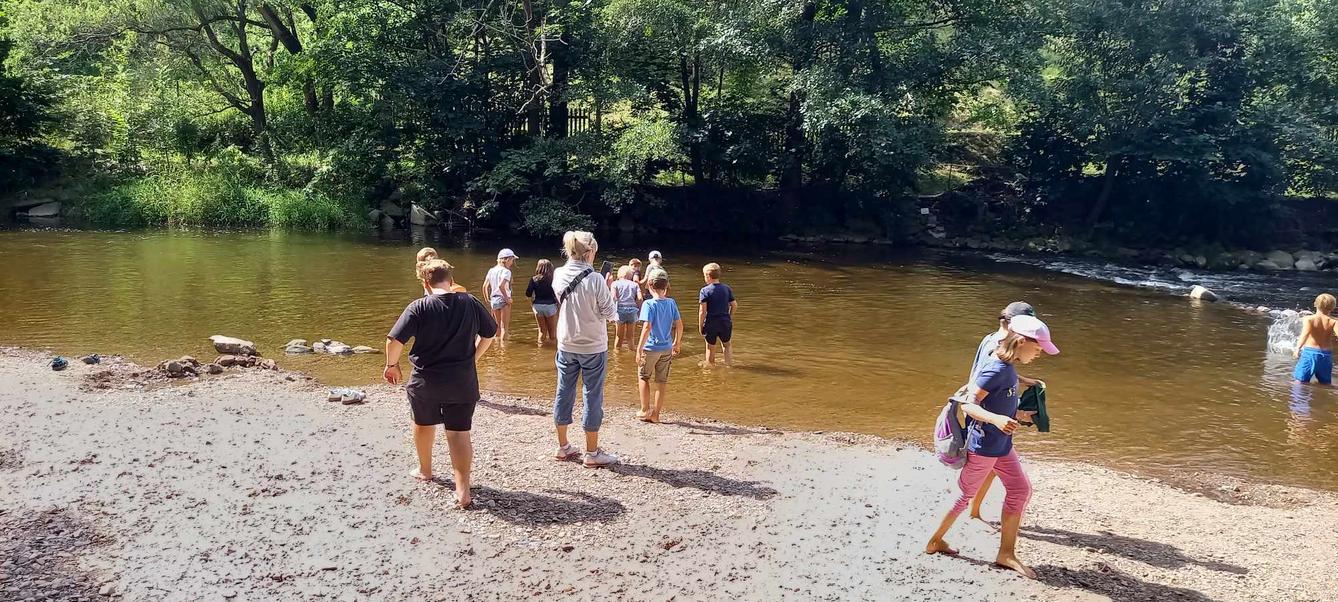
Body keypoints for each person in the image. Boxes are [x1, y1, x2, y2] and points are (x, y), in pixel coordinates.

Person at [926, 314, 1060, 579]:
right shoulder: (996, 369)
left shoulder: (1009, 369)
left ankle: (1006, 554)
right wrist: (996, 419)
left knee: (1020, 490)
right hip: (984, 447)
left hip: (1002, 445)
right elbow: (969, 405)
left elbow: (999, 403)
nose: (1040, 353)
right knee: (964, 495)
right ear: (1021, 342)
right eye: (1038, 348)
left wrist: (1019, 415)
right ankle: (934, 540)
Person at [384, 259, 497, 509]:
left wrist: (392, 365)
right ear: (451, 281)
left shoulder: (419, 307)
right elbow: (490, 333)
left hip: (426, 381)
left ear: (425, 283)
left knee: (423, 424)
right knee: (459, 433)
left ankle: (425, 470)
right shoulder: (469, 302)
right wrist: (473, 358)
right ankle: (463, 491)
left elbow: (394, 341)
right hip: (462, 381)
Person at [966, 301, 1042, 522]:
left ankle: (974, 509)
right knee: (991, 464)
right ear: (1013, 324)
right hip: (986, 410)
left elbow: (999, 372)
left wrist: (1023, 380)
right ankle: (971, 508)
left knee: (992, 465)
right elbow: (991, 375)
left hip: (987, 405)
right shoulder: (997, 343)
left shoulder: (993, 338)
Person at [551, 231, 620, 467]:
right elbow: (610, 313)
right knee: (592, 395)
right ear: (590, 253)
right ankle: (592, 452)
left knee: (563, 391)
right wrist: (607, 289)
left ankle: (563, 447)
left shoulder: (558, 273)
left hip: (566, 341)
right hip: (593, 345)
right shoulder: (596, 279)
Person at [636, 277, 683, 422]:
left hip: (650, 348)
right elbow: (679, 325)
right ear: (666, 287)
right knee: (661, 381)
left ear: (650, 287)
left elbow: (647, 327)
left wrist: (639, 348)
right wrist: (677, 343)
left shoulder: (648, 304)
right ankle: (656, 415)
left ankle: (645, 410)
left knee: (643, 377)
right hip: (666, 348)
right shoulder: (671, 302)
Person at [698, 262, 737, 367]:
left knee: (710, 347)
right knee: (727, 345)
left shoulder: (704, 291)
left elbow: (702, 311)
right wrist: (729, 317)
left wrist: (700, 326)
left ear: (708, 276)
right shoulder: (726, 288)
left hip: (711, 323)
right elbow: (734, 305)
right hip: (725, 322)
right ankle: (729, 366)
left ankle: (710, 369)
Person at [1294, 293, 1338, 384]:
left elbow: (1304, 335)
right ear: (1333, 307)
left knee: (1300, 381)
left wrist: (1297, 348)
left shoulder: (1309, 319)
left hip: (1310, 354)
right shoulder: (1334, 321)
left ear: (1315, 304)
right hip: (1326, 355)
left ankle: (1298, 394)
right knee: (1325, 383)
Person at [481, 249, 517, 342]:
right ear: (507, 259)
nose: (512, 263)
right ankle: (503, 349)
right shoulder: (506, 271)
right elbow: (501, 286)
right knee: (504, 328)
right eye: (512, 260)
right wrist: (507, 299)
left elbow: (484, 286)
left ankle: (497, 347)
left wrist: (487, 300)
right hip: (503, 300)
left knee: (497, 328)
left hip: (494, 300)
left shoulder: (491, 270)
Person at [526, 259, 559, 345]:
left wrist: (532, 304)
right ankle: (552, 351)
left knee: (541, 331)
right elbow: (557, 294)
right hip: (550, 306)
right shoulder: (553, 279)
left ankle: (540, 349)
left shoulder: (533, 279)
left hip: (537, 306)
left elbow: (528, 294)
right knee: (552, 334)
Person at [611, 265, 642, 351]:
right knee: (630, 337)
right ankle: (632, 353)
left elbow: (613, 298)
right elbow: (640, 298)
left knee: (619, 336)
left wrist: (612, 313)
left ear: (619, 275)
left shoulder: (615, 284)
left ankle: (617, 355)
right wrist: (639, 312)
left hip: (620, 311)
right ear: (630, 275)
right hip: (632, 311)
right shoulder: (635, 285)